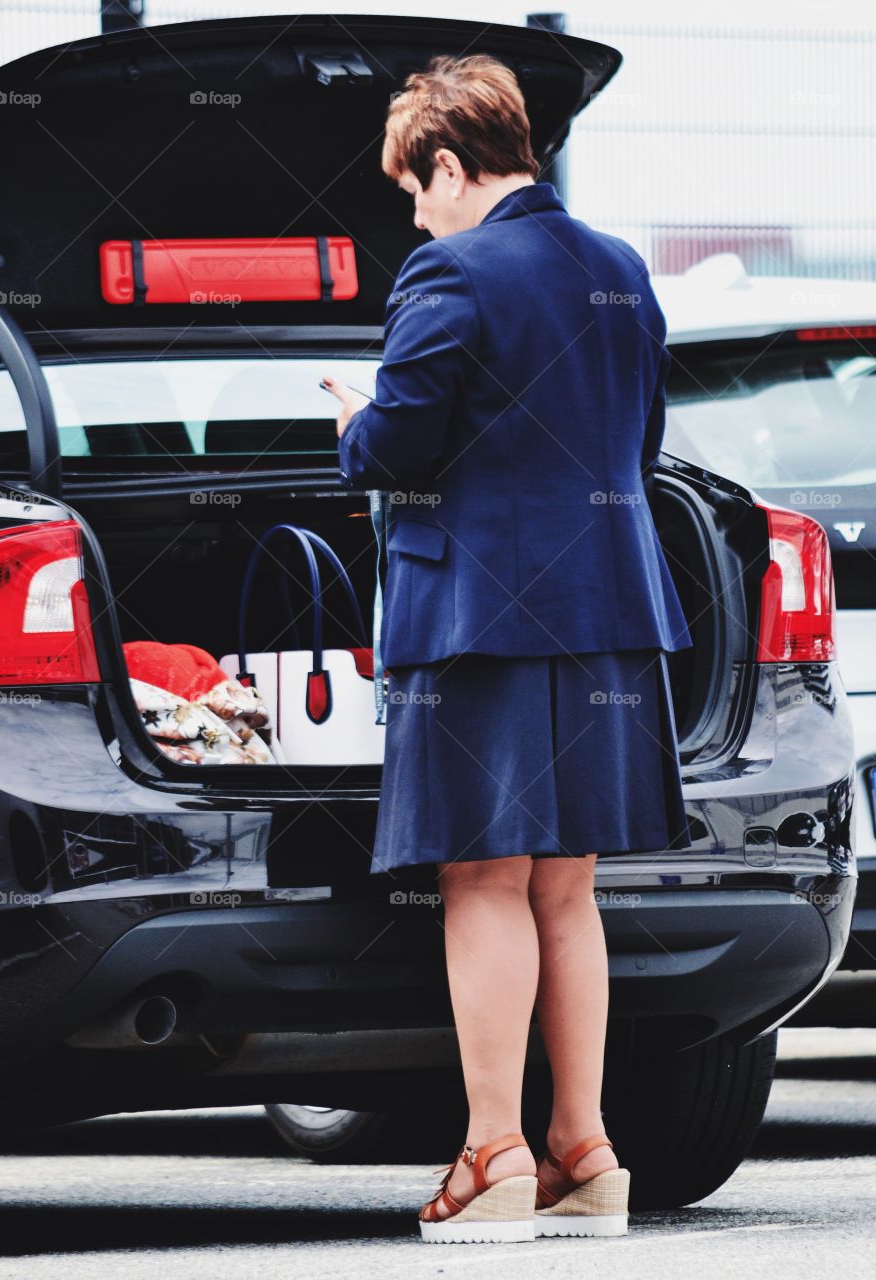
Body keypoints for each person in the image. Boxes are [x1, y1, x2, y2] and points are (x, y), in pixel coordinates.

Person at [322, 51, 693, 1245]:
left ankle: (492, 1156)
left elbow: (398, 447)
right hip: (607, 614)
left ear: (446, 162)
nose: (413, 215)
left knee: (481, 879)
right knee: (566, 885)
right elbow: (637, 445)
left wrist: (350, 421)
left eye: (413, 188)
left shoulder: (453, 268)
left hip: (477, 620)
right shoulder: (621, 268)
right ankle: (585, 1150)